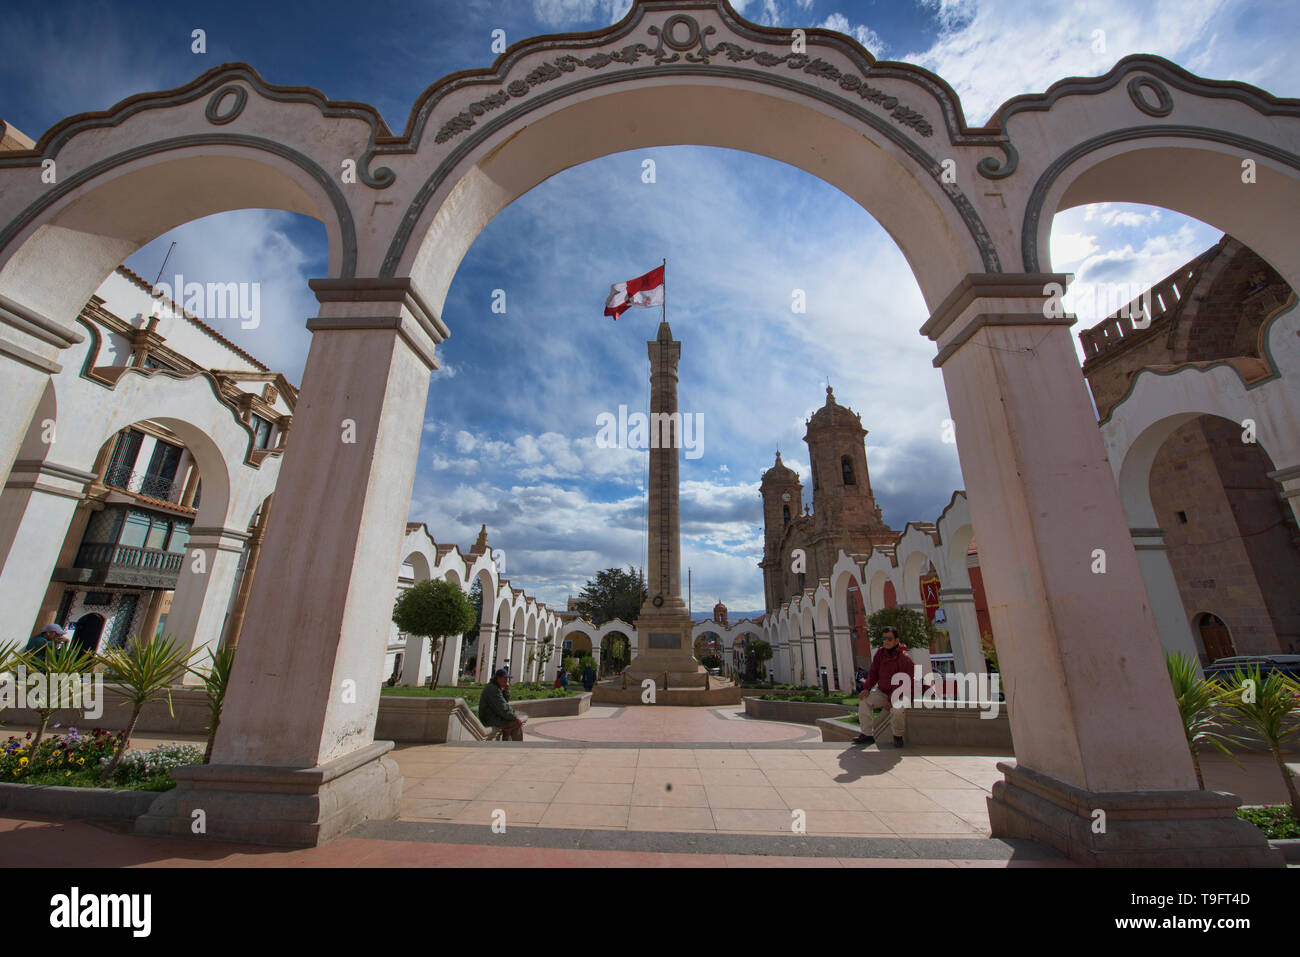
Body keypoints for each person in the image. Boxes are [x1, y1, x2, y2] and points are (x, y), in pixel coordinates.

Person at [854, 626, 914, 747]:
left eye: (889, 639)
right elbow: (873, 672)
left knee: (897, 709)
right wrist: (867, 688)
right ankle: (867, 735)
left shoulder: (904, 658)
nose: (886, 641)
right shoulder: (880, 654)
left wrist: (892, 699)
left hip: (901, 694)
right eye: (884, 638)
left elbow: (905, 683)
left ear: (897, 641)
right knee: (864, 700)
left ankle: (898, 736)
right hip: (883, 691)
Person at [478, 668, 525, 741]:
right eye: (505, 678)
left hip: (493, 716)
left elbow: (503, 702)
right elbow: (502, 708)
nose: (506, 681)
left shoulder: (495, 687)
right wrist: (515, 717)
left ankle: (506, 743)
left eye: (507, 679)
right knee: (516, 724)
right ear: (498, 678)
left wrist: (506, 692)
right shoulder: (493, 689)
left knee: (511, 722)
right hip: (489, 718)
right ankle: (517, 746)